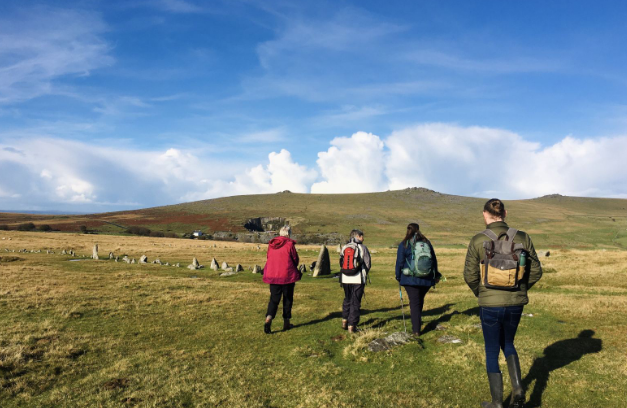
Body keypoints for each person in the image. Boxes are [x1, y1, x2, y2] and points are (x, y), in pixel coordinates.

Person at [464, 199, 542, 408]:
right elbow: (536, 271)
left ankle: (497, 403)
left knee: (491, 350)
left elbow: (469, 275)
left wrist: (481, 293)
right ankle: (517, 388)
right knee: (508, 343)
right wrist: (519, 290)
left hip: (489, 303)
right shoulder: (523, 238)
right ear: (505, 213)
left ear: (484, 214)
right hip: (515, 303)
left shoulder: (477, 240)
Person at [395, 223, 441, 336]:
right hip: (426, 279)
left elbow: (399, 262)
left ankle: (416, 331)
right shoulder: (426, 242)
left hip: (410, 279)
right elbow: (433, 260)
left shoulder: (404, 244)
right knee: (419, 301)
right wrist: (436, 275)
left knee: (414, 303)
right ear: (418, 230)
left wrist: (398, 276)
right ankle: (417, 324)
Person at [263, 225, 301, 334]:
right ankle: (286, 322)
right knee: (287, 299)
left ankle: (268, 318)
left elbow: (268, 257)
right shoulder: (289, 245)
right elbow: (295, 260)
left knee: (274, 299)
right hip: (287, 276)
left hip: (273, 275)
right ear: (288, 234)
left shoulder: (271, 245)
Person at [339, 229, 371, 333]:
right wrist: (363, 273)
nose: (363, 238)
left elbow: (341, 262)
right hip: (358, 278)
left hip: (345, 278)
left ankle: (344, 320)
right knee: (355, 301)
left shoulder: (345, 247)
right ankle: (352, 325)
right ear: (358, 236)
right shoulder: (363, 248)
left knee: (347, 299)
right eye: (362, 236)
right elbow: (368, 264)